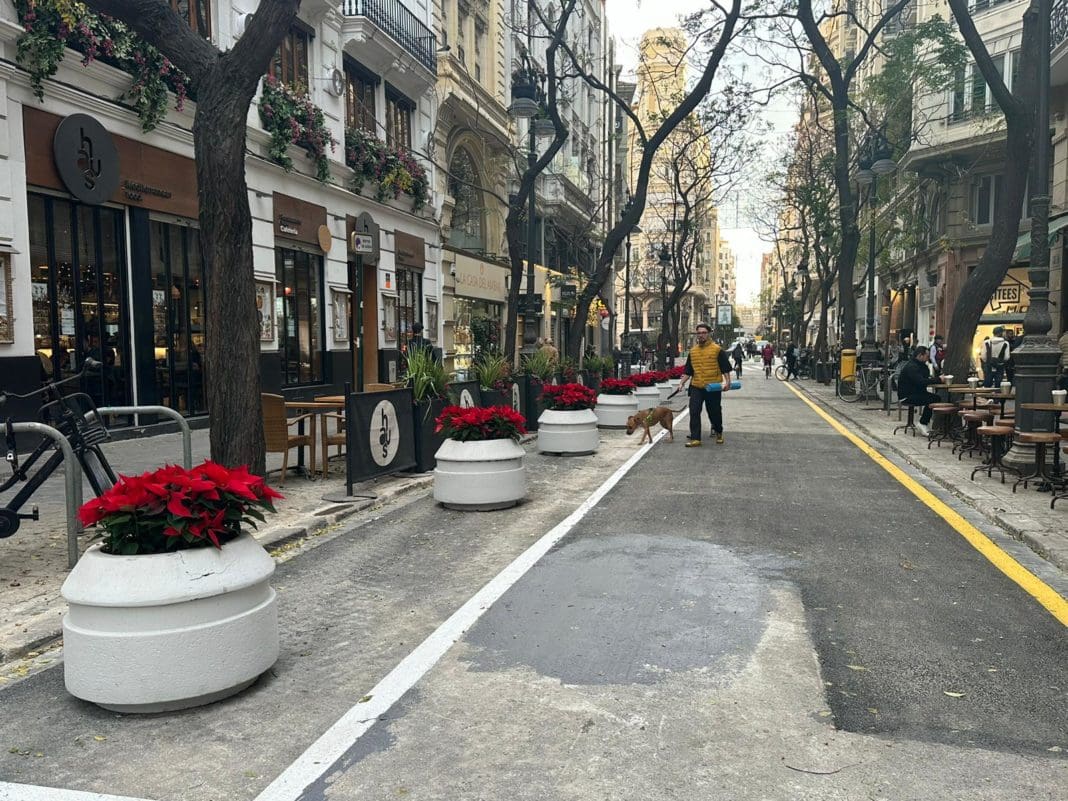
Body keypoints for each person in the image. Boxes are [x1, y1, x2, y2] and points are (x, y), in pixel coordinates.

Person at [678, 323, 733, 447]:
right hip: (696, 386)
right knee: (694, 411)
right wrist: (681, 383)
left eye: (704, 333)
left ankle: (718, 431)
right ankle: (695, 438)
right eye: (699, 333)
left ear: (709, 334)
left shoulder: (717, 349)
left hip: (712, 387)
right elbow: (688, 371)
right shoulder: (693, 351)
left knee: (714, 412)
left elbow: (725, 368)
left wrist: (728, 382)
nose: (701, 335)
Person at [898, 344, 942, 437]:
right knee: (933, 399)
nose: (928, 358)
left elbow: (924, 379)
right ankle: (923, 423)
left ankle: (925, 422)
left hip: (917, 393)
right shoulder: (912, 367)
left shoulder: (922, 366)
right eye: (927, 356)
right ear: (920, 355)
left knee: (935, 398)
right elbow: (921, 381)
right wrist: (938, 379)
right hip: (907, 396)